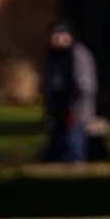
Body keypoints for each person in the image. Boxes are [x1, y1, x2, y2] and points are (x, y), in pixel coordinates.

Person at [41, 19, 97, 164]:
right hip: (57, 107)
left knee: (74, 140)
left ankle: (76, 164)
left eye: (63, 35)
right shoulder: (51, 57)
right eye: (55, 36)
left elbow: (86, 84)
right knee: (58, 142)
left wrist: (77, 104)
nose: (59, 40)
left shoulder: (78, 55)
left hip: (75, 108)